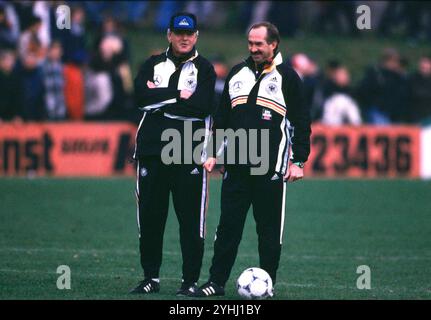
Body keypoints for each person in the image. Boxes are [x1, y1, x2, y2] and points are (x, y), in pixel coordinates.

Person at [191, 21, 311, 297]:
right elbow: (222, 119)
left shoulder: (288, 78)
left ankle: (267, 285)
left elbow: (302, 123)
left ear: (273, 44)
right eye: (250, 43)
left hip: (270, 171)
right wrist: (211, 153)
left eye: (259, 44)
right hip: (235, 168)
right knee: (227, 229)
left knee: (268, 234)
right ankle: (215, 283)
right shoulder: (236, 73)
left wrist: (299, 161)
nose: (253, 48)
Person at [129, 12, 216, 296]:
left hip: (188, 153)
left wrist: (160, 100)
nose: (184, 38)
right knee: (151, 218)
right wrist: (179, 94)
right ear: (169, 35)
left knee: (191, 222)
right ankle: (150, 278)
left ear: (196, 36)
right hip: (152, 151)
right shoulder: (152, 63)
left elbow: (202, 106)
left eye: (189, 33)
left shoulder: (204, 69)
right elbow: (140, 98)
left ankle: (189, 282)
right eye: (179, 33)